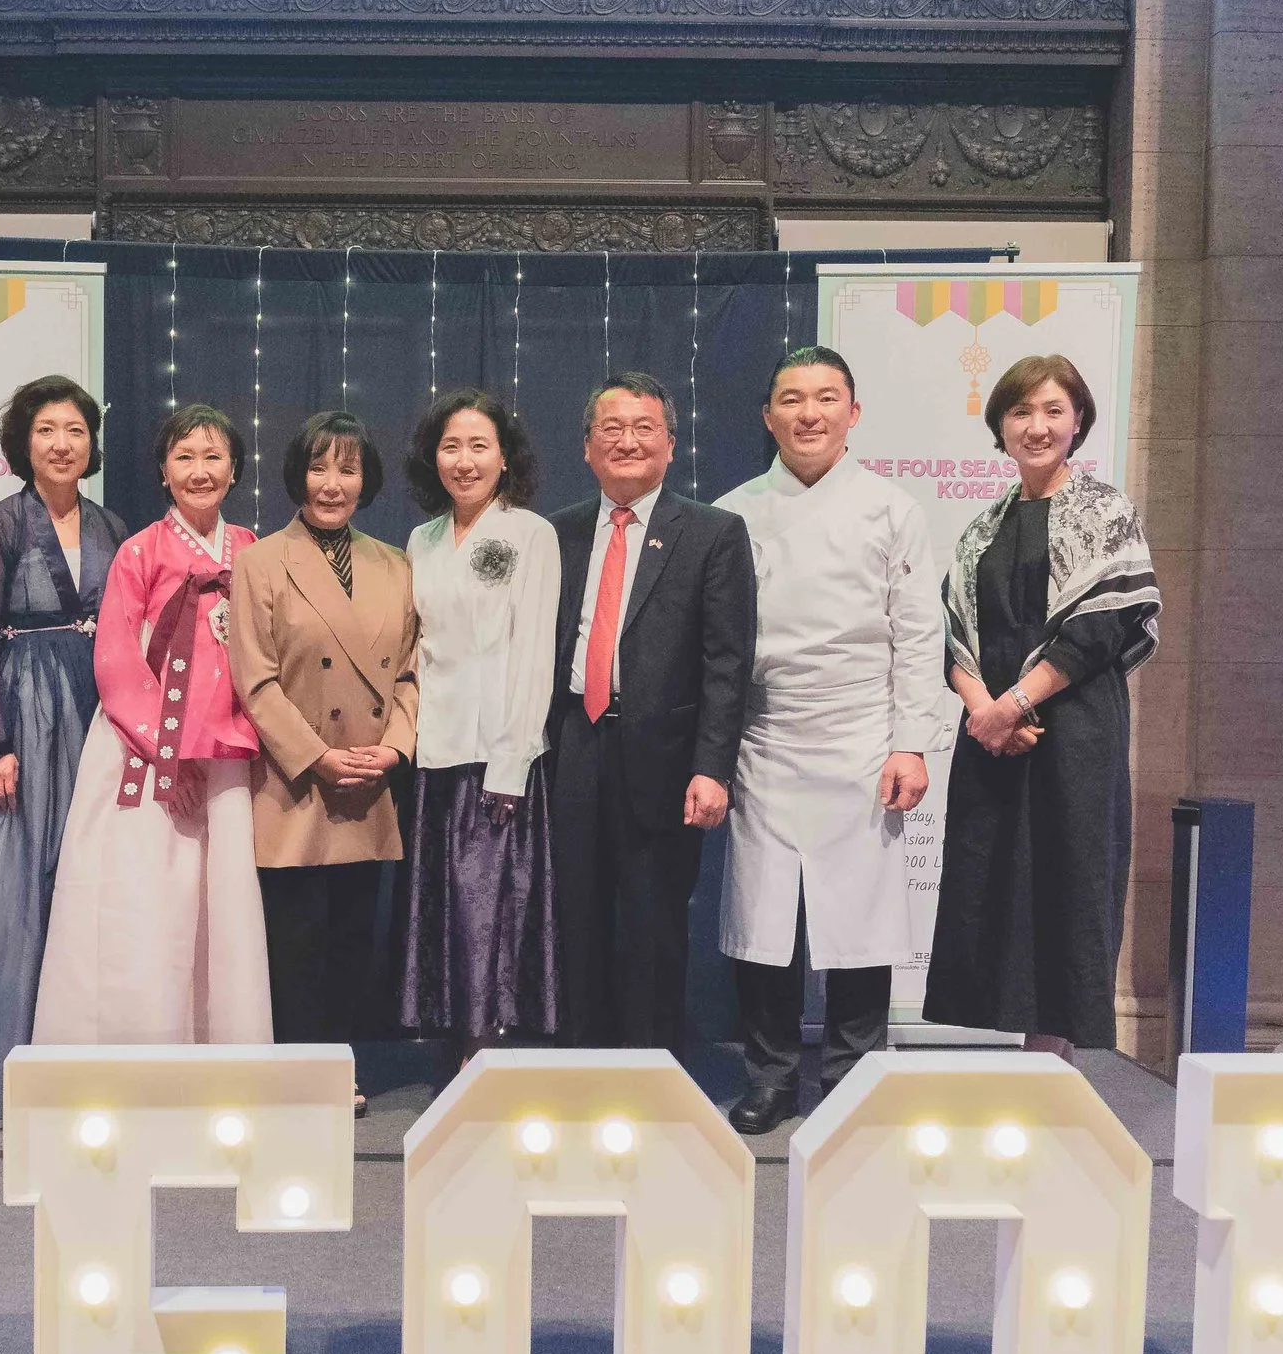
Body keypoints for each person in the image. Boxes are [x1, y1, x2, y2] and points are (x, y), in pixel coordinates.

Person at [714, 348, 945, 1134]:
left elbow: (918, 636)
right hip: (766, 734)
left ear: (854, 411)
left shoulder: (892, 509)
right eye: (791, 398)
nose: (808, 413)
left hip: (862, 736)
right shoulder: (732, 512)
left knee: (860, 922)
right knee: (763, 922)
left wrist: (911, 741)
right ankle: (771, 1074)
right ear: (768, 416)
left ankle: (853, 1074)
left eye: (826, 397)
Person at [923, 353, 1161, 1056]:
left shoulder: (1105, 510)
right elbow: (952, 637)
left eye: (1054, 410)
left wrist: (1015, 703)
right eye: (1022, 411)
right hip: (994, 740)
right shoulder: (981, 529)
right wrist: (984, 712)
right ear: (1000, 425)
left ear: (1078, 420)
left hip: (1074, 735)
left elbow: (1102, 626)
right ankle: (1024, 1068)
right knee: (999, 897)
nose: (1037, 426)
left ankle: (1049, 1071)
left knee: (1067, 890)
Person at [33, 405, 274, 1044]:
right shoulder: (139, 551)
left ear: (234, 471)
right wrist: (164, 756)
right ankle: (147, 1041)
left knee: (221, 903)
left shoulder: (252, 550)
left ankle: (223, 1043)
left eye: (213, 457)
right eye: (185, 457)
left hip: (229, 753)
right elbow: (114, 659)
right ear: (163, 472)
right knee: (151, 898)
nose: (200, 471)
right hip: (148, 751)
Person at [0, 376, 129, 1130]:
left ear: (91, 444)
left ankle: (71, 1072)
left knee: (79, 892)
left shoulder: (114, 526)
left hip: (94, 713)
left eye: (75, 430)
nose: (61, 443)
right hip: (14, 714)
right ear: (24, 441)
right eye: (47, 429)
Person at [546, 373, 757, 1049]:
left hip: (664, 758)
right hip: (573, 746)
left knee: (653, 926)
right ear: (587, 447)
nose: (628, 441)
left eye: (644, 428)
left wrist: (712, 767)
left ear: (670, 443)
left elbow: (729, 662)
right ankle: (580, 1067)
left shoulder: (713, 532)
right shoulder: (558, 532)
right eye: (611, 428)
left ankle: (650, 1079)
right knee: (574, 921)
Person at [229, 413, 420, 1076]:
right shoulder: (258, 562)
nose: (332, 484)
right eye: (319, 467)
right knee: (295, 942)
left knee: (351, 941)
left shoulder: (397, 564)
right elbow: (254, 679)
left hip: (370, 779)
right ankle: (300, 1078)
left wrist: (393, 749)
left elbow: (411, 673)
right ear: (296, 475)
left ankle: (340, 1071)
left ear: (365, 479)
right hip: (297, 782)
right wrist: (317, 757)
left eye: (348, 468)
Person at [395, 388, 563, 1059]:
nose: (464, 461)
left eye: (479, 446)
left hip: (498, 754)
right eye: (450, 446)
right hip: (434, 751)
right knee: (446, 910)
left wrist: (511, 762)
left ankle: (486, 1048)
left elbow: (531, 653)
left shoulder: (528, 533)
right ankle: (454, 1041)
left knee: (488, 911)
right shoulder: (422, 539)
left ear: (504, 457)